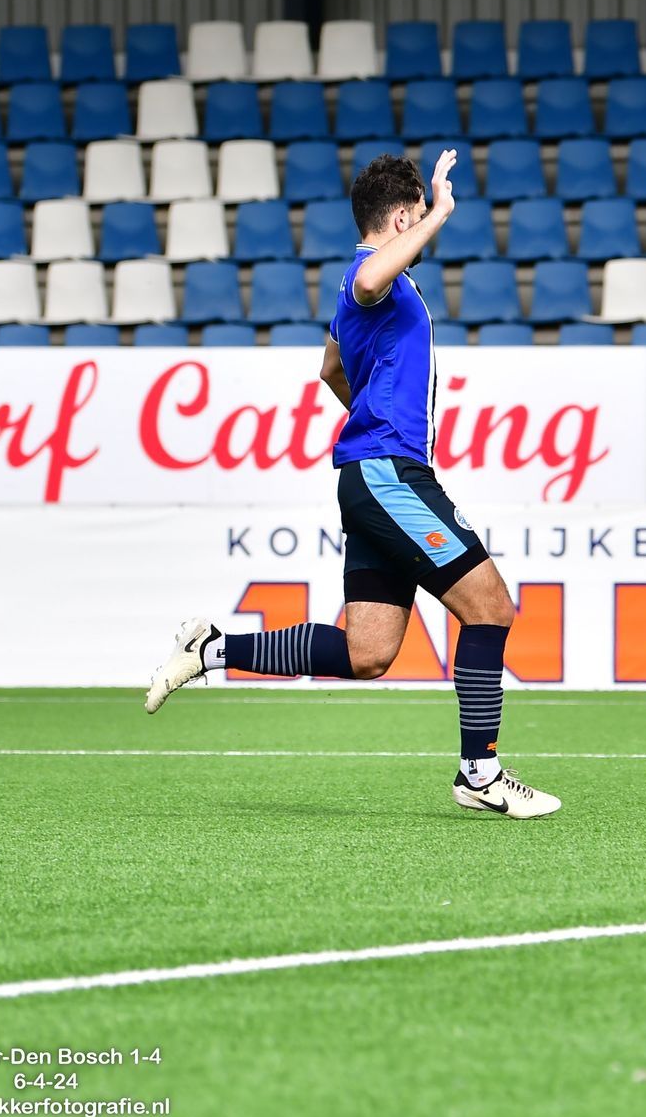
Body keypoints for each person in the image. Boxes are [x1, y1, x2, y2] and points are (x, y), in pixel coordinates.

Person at [143, 152, 559, 820]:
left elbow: (331, 367)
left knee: (367, 653)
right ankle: (480, 772)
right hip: (388, 474)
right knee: (491, 608)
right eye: (417, 216)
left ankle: (210, 648)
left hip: (368, 475)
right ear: (400, 219)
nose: (425, 226)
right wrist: (443, 211)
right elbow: (368, 280)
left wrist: (369, 414)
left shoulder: (363, 294)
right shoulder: (371, 278)